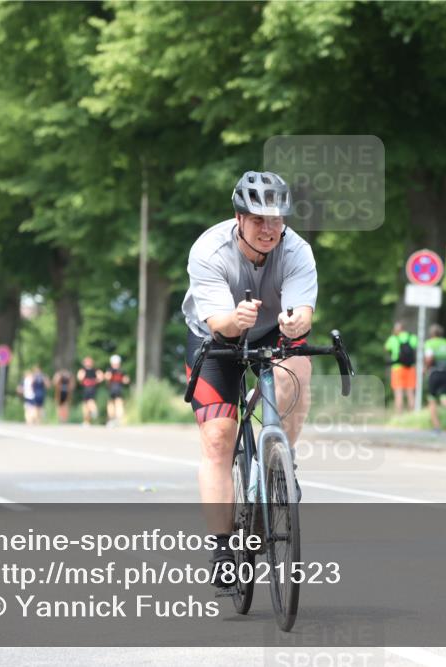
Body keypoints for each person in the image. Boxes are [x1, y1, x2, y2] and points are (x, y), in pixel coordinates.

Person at [180, 170, 315, 592]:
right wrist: (233, 321)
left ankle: (279, 458)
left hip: (273, 331)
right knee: (219, 438)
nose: (269, 229)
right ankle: (222, 546)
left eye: (277, 220)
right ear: (238, 217)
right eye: (259, 219)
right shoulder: (208, 250)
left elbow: (304, 312)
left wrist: (295, 324)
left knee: (300, 367)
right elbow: (218, 319)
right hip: (215, 335)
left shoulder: (297, 250)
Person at [424, 324, 446, 435]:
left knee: (432, 400)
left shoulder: (430, 343)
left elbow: (429, 358)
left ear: (432, 334)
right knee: (444, 397)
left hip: (434, 373)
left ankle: (437, 427)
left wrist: (426, 368)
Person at [384, 321, 418, 413]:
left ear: (396, 329)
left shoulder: (393, 338)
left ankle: (399, 416)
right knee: (410, 393)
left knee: (398, 393)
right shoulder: (412, 337)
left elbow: (386, 348)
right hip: (410, 368)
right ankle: (412, 416)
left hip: (397, 368)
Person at [105, 354, 131, 426]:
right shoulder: (122, 370)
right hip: (119, 388)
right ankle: (118, 419)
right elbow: (127, 380)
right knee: (119, 403)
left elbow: (107, 377)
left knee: (112, 404)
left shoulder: (110, 370)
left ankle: (113, 419)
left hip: (113, 388)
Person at [77, 357, 103, 426]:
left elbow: (79, 378)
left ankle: (94, 411)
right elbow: (101, 378)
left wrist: (93, 381)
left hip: (89, 388)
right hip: (89, 388)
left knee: (89, 401)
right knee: (86, 404)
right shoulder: (94, 370)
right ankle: (87, 421)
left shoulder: (86, 370)